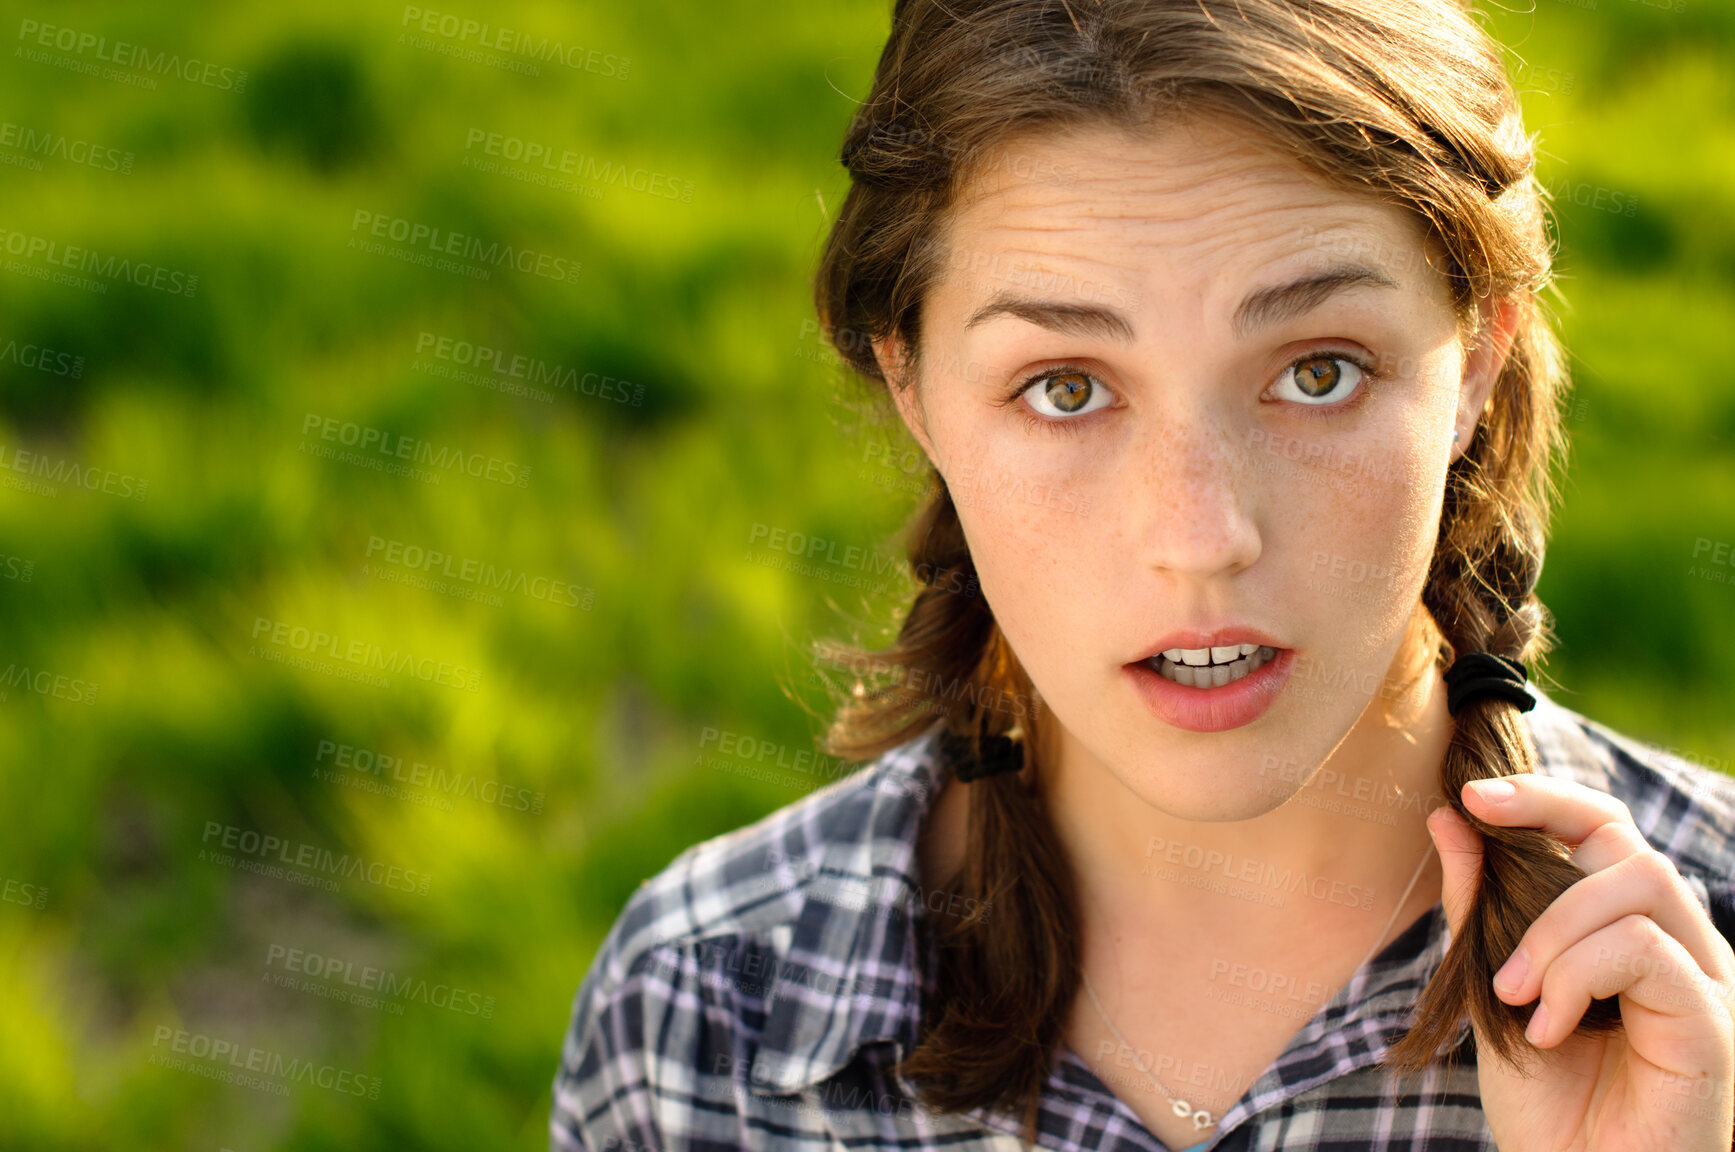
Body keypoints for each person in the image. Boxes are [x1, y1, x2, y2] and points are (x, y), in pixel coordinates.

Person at [550, 1, 1735, 1149]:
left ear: (1477, 359)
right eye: (1066, 387)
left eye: (1317, 371)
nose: (1202, 534)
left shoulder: (1697, 985)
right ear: (913, 392)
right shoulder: (703, 1013)